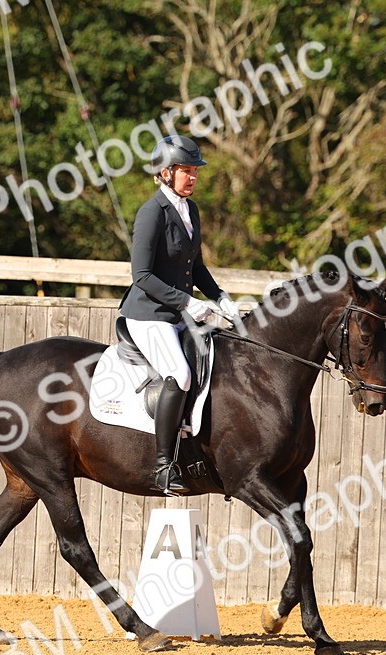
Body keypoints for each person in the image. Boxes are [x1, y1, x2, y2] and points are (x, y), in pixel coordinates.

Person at [117, 135, 240, 495]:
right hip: (149, 314)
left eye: (195, 171)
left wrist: (220, 297)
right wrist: (187, 303)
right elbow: (141, 275)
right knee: (181, 374)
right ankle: (162, 465)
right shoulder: (151, 213)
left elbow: (195, 267)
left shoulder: (190, 210)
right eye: (186, 171)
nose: (193, 177)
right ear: (165, 173)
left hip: (177, 313)